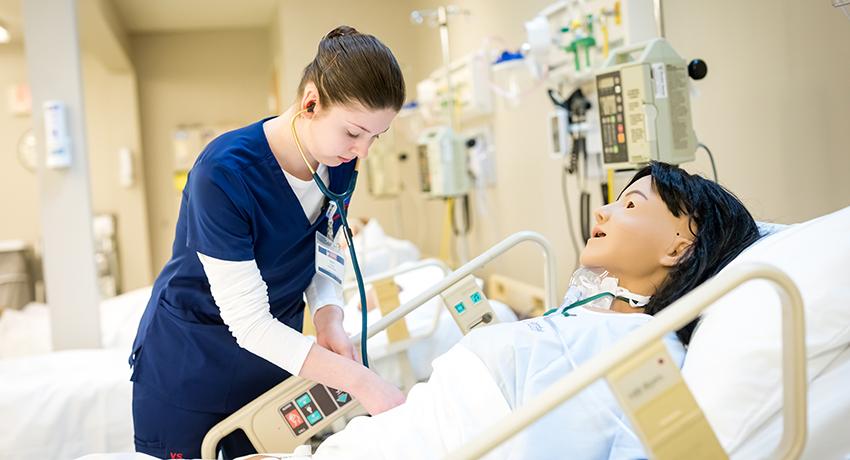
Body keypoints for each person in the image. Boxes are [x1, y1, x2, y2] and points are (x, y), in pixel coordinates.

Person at [310, 162, 761, 459]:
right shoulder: (594, 317)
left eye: (629, 205)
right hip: (408, 430)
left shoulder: (644, 350)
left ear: (680, 248)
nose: (602, 213)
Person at [128, 26, 406, 459]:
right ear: (311, 102)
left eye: (375, 137)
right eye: (354, 133)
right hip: (191, 364)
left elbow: (323, 247)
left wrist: (329, 315)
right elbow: (249, 323)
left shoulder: (340, 164)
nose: (362, 153)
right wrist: (360, 381)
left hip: (273, 362)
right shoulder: (223, 173)